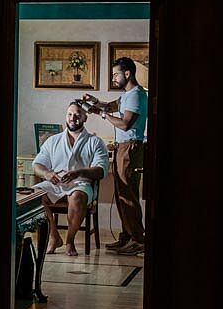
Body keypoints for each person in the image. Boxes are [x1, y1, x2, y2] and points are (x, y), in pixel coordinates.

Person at [83, 56, 148, 255]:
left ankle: (138, 239)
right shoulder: (127, 95)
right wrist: (95, 104)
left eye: (115, 75)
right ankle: (127, 236)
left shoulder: (136, 95)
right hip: (122, 147)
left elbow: (125, 123)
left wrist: (102, 115)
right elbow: (110, 106)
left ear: (127, 73)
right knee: (121, 196)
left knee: (128, 195)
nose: (113, 78)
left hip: (130, 148)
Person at [32, 101, 109, 257]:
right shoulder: (53, 140)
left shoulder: (95, 142)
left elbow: (101, 170)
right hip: (56, 183)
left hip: (81, 183)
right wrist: (47, 174)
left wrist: (78, 172)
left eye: (77, 114)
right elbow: (37, 165)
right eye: (70, 114)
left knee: (77, 197)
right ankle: (54, 236)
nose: (73, 118)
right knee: (33, 194)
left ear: (85, 117)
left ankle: (70, 240)